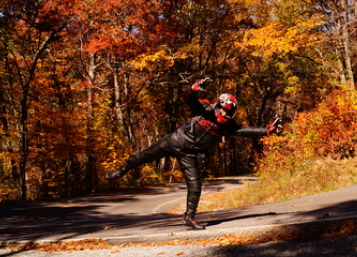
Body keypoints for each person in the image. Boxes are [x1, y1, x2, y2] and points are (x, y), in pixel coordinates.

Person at [105, 77, 283, 230]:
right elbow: (188, 99)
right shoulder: (205, 109)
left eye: (229, 111)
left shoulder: (228, 126)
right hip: (174, 141)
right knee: (143, 156)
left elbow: (246, 130)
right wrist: (194, 88)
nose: (224, 113)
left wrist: (268, 130)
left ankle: (189, 217)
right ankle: (121, 170)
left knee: (196, 187)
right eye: (223, 109)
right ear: (218, 104)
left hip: (189, 155)